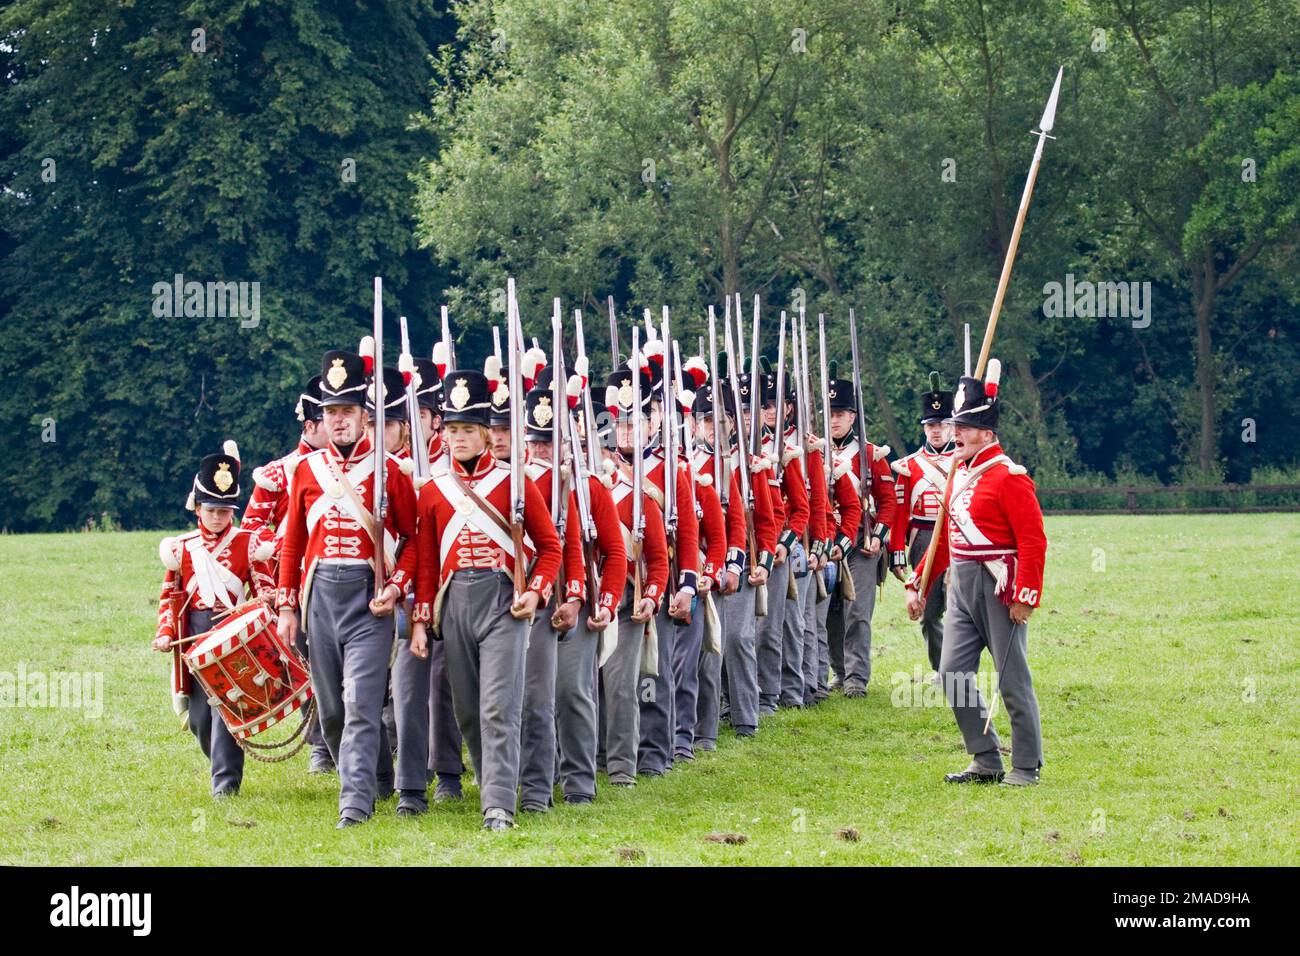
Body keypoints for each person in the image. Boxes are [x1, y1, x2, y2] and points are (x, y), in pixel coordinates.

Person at [409, 366, 564, 831]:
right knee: (468, 711)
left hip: (504, 601)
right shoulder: (434, 489)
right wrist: (420, 619)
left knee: (499, 705)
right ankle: (495, 776)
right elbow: (424, 562)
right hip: (454, 601)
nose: (457, 438)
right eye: (451, 429)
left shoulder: (516, 484)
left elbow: (550, 547)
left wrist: (536, 592)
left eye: (467, 430)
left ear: (484, 433)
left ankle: (497, 804)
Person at [274, 345, 419, 828]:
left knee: (360, 703)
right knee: (332, 711)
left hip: (368, 598)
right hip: (319, 597)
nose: (338, 421)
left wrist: (397, 586)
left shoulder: (389, 472)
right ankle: (376, 777)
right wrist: (287, 605)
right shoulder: (306, 472)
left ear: (364, 415)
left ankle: (353, 804)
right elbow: (293, 543)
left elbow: (415, 540)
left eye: (347, 411)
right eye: (331, 412)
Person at [905, 360, 1046, 787]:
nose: (957, 433)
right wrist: (919, 583)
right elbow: (945, 541)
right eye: (955, 425)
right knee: (951, 672)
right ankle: (985, 757)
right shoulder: (958, 474)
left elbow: (1033, 540)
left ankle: (1025, 765)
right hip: (962, 585)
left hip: (999, 585)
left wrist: (1026, 594)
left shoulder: (1009, 477)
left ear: (987, 432)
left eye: (965, 427)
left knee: (1011, 679)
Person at [153, 440, 276, 797]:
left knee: (227, 711)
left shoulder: (249, 544)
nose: (218, 517)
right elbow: (169, 598)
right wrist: (164, 632)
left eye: (224, 511)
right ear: (198, 510)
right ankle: (220, 764)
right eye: (211, 510)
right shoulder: (182, 548)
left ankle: (225, 783)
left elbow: (265, 590)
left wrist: (253, 606)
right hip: (193, 636)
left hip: (233, 637)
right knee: (200, 719)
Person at [241, 377, 334, 772]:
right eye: (328, 417)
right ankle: (321, 745)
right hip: (293, 585)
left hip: (338, 576)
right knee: (310, 665)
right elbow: (250, 528)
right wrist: (286, 544)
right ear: (310, 425)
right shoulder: (279, 474)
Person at [596, 375, 669, 787]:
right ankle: (590, 760)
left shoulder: (641, 493)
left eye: (633, 423)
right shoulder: (586, 487)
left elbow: (658, 559)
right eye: (618, 424)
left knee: (623, 686)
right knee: (580, 689)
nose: (625, 432)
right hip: (588, 599)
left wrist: (653, 596)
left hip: (625, 600)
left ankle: (623, 766)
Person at [825, 361, 896, 698]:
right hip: (826, 541)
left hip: (861, 541)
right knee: (831, 612)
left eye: (841, 412)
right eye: (830, 412)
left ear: (853, 416)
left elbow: (888, 503)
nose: (835, 419)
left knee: (858, 612)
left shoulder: (870, 454)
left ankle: (856, 677)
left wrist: (879, 537)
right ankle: (838, 671)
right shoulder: (815, 454)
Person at [891, 372, 955, 673]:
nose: (937, 430)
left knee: (959, 610)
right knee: (929, 613)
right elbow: (901, 512)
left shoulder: (966, 462)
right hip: (922, 538)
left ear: (952, 426)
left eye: (942, 424)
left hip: (958, 537)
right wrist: (897, 553)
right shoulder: (909, 466)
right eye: (931, 425)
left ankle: (958, 669)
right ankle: (940, 670)